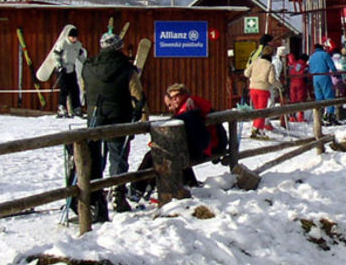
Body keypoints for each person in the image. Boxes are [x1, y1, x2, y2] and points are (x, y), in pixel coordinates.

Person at [80, 32, 144, 215]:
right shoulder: (126, 67)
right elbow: (136, 93)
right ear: (118, 47)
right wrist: (139, 110)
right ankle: (118, 194)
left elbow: (83, 89)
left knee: (94, 156)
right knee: (118, 156)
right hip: (119, 116)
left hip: (95, 116)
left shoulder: (89, 65)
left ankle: (93, 194)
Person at [129, 83, 228, 202]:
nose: (170, 108)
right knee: (173, 152)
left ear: (176, 98)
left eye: (169, 104)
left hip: (206, 147)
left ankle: (137, 189)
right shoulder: (191, 106)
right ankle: (190, 183)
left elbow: (193, 135)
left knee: (153, 156)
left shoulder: (189, 109)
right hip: (207, 146)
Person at [51, 24, 87, 118]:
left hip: (71, 68)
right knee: (64, 89)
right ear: (68, 37)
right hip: (62, 68)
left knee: (75, 89)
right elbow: (55, 55)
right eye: (72, 37)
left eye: (75, 37)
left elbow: (81, 56)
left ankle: (76, 107)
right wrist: (59, 66)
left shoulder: (78, 45)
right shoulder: (63, 44)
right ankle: (61, 107)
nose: (73, 39)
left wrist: (87, 63)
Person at [245, 43, 279, 138]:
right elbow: (271, 80)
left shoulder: (255, 62)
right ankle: (257, 130)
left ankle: (256, 128)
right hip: (263, 89)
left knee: (257, 110)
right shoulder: (270, 65)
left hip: (253, 88)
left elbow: (246, 73)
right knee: (262, 111)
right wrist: (279, 85)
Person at [307, 42, 338, 123]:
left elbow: (310, 68)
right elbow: (331, 66)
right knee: (329, 95)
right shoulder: (325, 55)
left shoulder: (312, 57)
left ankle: (318, 116)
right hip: (324, 75)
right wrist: (336, 74)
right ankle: (330, 115)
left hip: (315, 77)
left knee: (319, 97)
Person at [288, 51, 312, 121]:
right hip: (301, 83)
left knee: (293, 100)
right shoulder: (305, 66)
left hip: (292, 83)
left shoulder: (293, 64)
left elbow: (289, 71)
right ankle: (300, 117)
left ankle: (292, 116)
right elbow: (308, 76)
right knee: (301, 100)